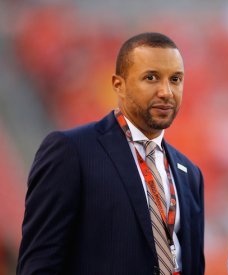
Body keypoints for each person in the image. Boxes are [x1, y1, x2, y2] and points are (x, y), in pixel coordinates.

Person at [17, 32, 205, 275]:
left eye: (176, 79)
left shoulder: (189, 173)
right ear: (119, 84)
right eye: (151, 78)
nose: (166, 92)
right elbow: (39, 264)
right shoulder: (72, 151)